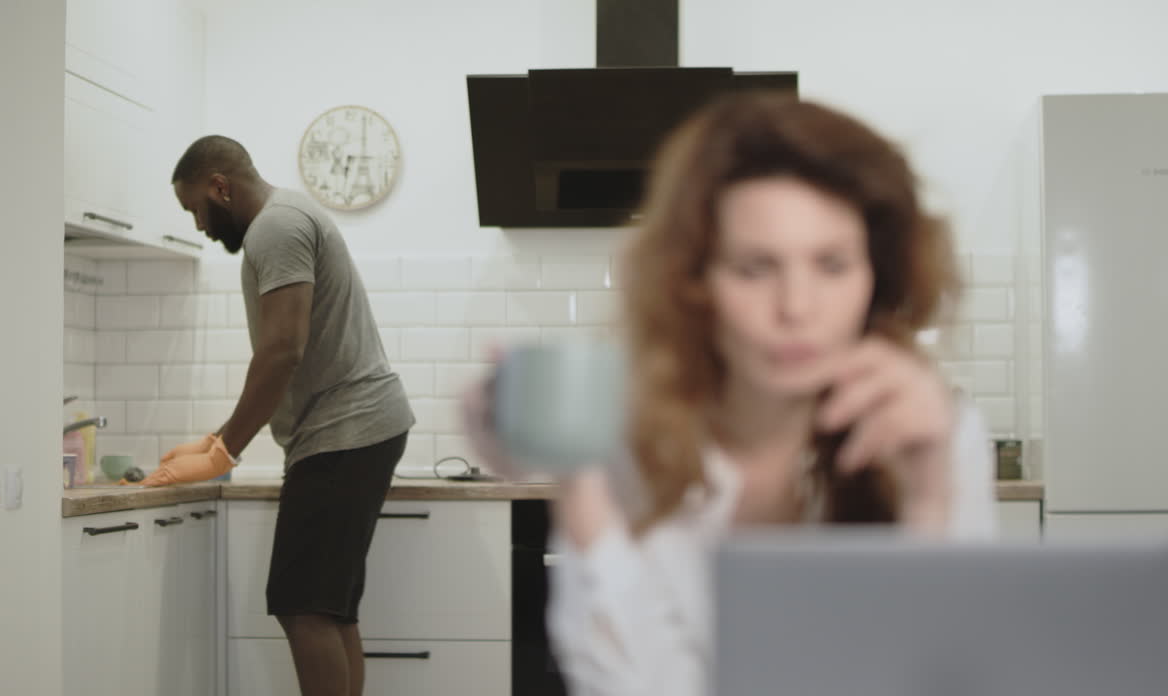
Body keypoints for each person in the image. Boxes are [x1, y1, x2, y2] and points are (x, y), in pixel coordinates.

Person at [462, 96, 996, 696]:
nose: (796, 308)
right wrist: (580, 486)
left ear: (878, 276)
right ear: (695, 282)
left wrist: (928, 500)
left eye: (832, 264)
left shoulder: (936, 435)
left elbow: (952, 678)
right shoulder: (631, 444)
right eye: (754, 268)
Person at [146, 135, 415, 696]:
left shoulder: (276, 227)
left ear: (220, 187)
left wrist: (225, 451)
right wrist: (215, 438)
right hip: (358, 429)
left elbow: (282, 350)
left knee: (304, 607)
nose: (199, 225)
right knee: (330, 609)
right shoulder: (288, 216)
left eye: (196, 209)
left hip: (344, 432)